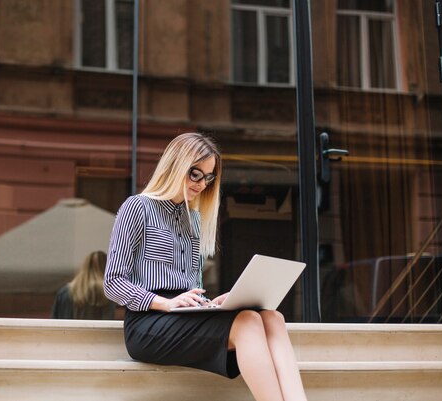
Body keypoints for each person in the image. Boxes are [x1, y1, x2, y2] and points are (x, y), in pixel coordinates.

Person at [104, 133, 308, 401]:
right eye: (195, 174)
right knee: (247, 322)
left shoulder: (194, 220)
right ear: (175, 165)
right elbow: (113, 282)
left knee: (272, 317)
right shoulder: (137, 207)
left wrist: (213, 304)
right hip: (148, 323)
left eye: (208, 177)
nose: (201, 184)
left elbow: (191, 287)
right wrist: (165, 303)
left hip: (185, 316)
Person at [52, 250, 116, 320]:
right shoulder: (108, 292)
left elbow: (55, 322)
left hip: (69, 331)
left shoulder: (65, 292)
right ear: (107, 268)